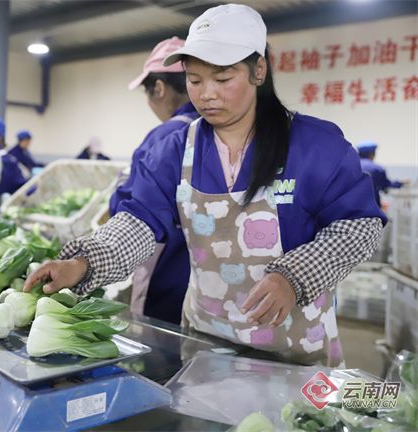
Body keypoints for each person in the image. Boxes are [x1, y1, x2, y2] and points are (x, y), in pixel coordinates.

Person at [25, 4, 386, 367]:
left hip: (297, 350)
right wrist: (83, 263)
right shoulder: (174, 151)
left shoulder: (315, 146)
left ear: (259, 70)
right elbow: (137, 223)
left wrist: (295, 278)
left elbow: (359, 226)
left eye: (223, 79)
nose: (206, 94)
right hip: (206, 344)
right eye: (195, 80)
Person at [109, 36, 199, 324]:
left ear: (159, 88)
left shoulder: (163, 139)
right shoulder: (220, 132)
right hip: (216, 287)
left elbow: (127, 206)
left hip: (166, 273)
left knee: (162, 355)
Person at [357, 141, 405, 208]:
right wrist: (400, 183)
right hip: (370, 208)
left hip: (350, 207)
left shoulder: (350, 167)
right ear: (372, 154)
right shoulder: (377, 169)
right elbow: (385, 185)